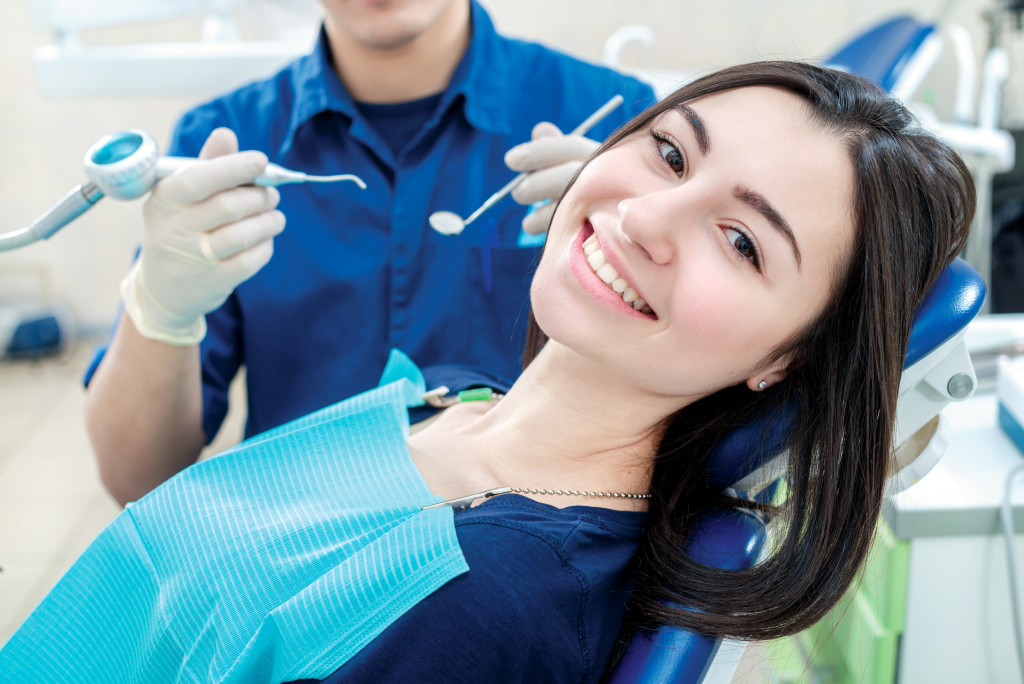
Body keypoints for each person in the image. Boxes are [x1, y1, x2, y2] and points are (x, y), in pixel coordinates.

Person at [1, 62, 973, 683]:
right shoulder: (452, 399)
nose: (642, 217)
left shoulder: (479, 597)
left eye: (740, 241)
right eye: (668, 154)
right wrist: (160, 306)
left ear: (789, 356)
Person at [83, 0, 657, 506]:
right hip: (292, 570)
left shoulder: (615, 119)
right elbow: (138, 480)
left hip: (528, 561)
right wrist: (161, 307)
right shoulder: (224, 140)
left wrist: (635, 259)